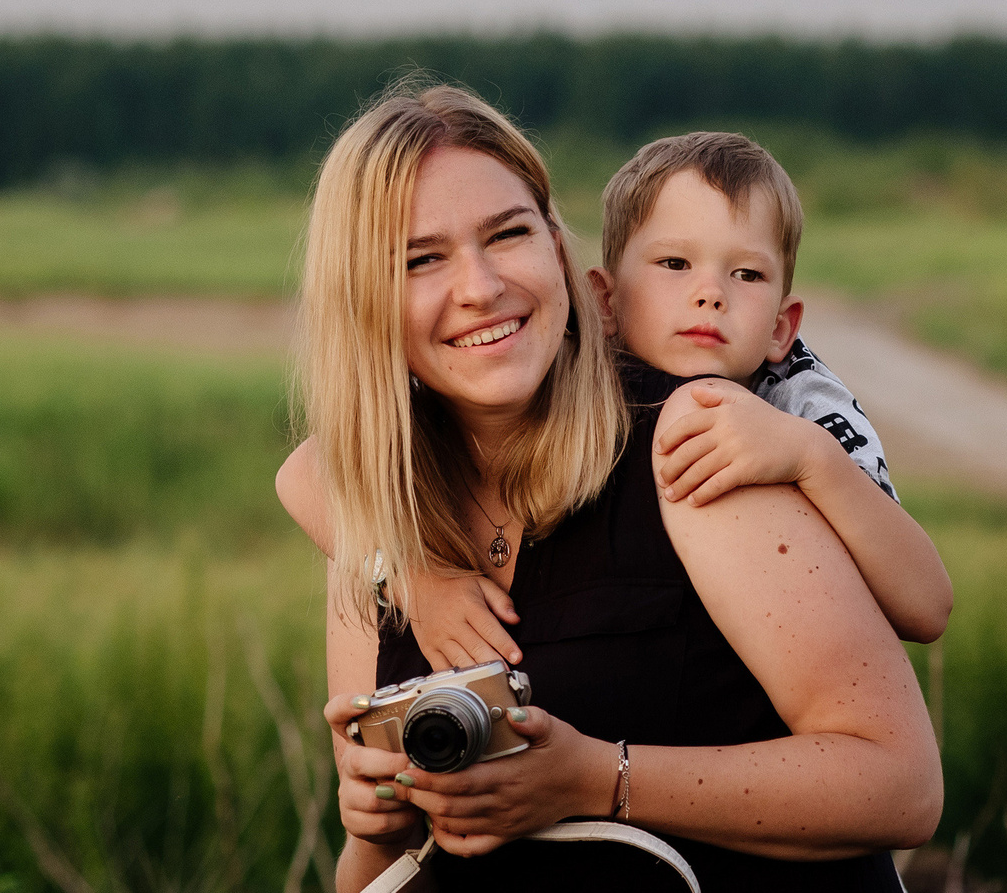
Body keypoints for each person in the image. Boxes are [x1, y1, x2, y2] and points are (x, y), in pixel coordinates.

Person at [0, 83, 947, 893]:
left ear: (569, 261)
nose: (478, 287)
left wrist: (598, 780)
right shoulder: (375, 532)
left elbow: (898, 780)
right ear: (370, 304)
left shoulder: (697, 454)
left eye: (506, 234)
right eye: (423, 260)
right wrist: (376, 819)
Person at [303, 129, 951, 675]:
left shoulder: (802, 400)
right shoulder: (567, 361)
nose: (711, 294)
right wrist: (416, 582)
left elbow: (927, 605)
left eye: (746, 274)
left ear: (784, 325)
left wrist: (811, 459)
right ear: (604, 300)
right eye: (674, 264)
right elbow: (305, 473)